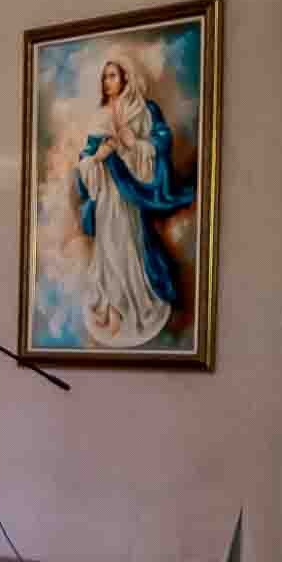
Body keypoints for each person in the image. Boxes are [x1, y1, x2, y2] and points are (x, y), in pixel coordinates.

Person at [73, 54, 194, 348]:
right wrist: (98, 158)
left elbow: (161, 143)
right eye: (105, 76)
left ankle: (131, 305)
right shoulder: (100, 115)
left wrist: (133, 144)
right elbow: (85, 160)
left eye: (113, 75)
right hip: (107, 193)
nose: (108, 81)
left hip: (130, 194)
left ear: (126, 77)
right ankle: (112, 307)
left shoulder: (144, 109)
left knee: (127, 246)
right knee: (107, 249)